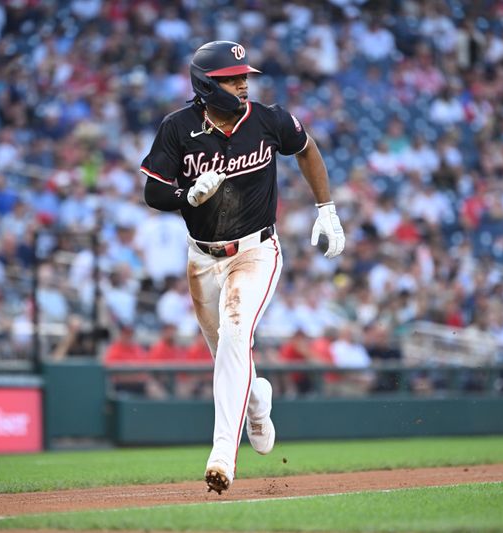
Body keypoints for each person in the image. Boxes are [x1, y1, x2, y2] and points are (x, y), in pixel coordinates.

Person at [141, 41, 346, 493]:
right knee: (226, 356)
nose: (242, 84)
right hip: (201, 258)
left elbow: (306, 148)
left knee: (236, 335)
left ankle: (221, 457)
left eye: (244, 76)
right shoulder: (177, 128)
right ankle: (256, 399)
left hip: (256, 251)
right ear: (205, 85)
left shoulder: (268, 119)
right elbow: (153, 192)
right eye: (232, 78)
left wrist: (326, 209)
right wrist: (187, 196)